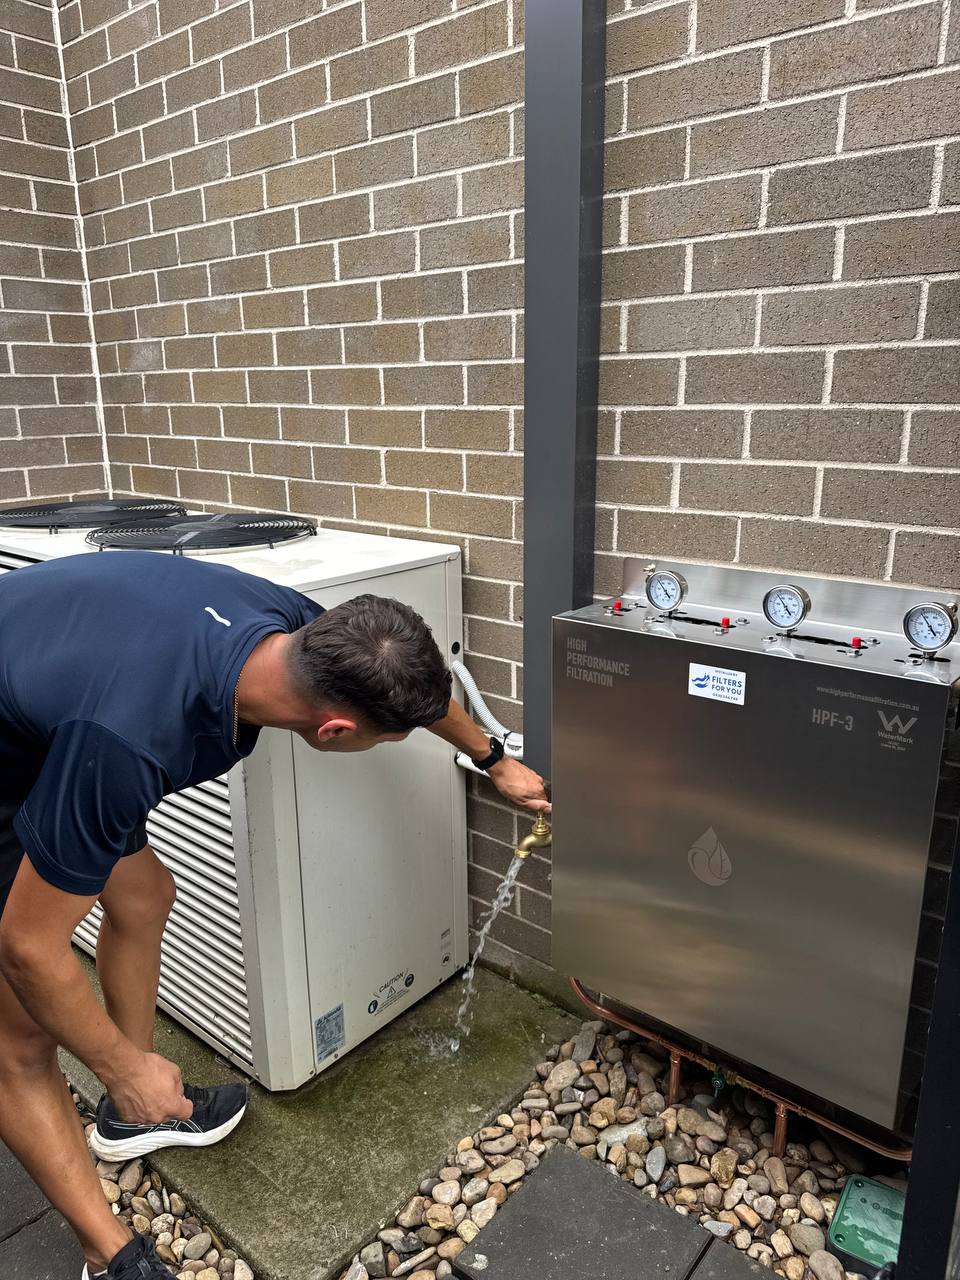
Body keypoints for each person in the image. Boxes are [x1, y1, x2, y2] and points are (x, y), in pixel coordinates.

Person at [0, 551, 549, 1280]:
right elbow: (29, 947)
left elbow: (414, 692)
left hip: (57, 694)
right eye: (384, 739)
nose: (392, 741)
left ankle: (131, 1118)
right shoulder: (131, 742)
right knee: (20, 1038)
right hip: (24, 746)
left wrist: (493, 756)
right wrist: (123, 1065)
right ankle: (112, 1254)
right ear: (333, 732)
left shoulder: (302, 630)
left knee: (141, 894)